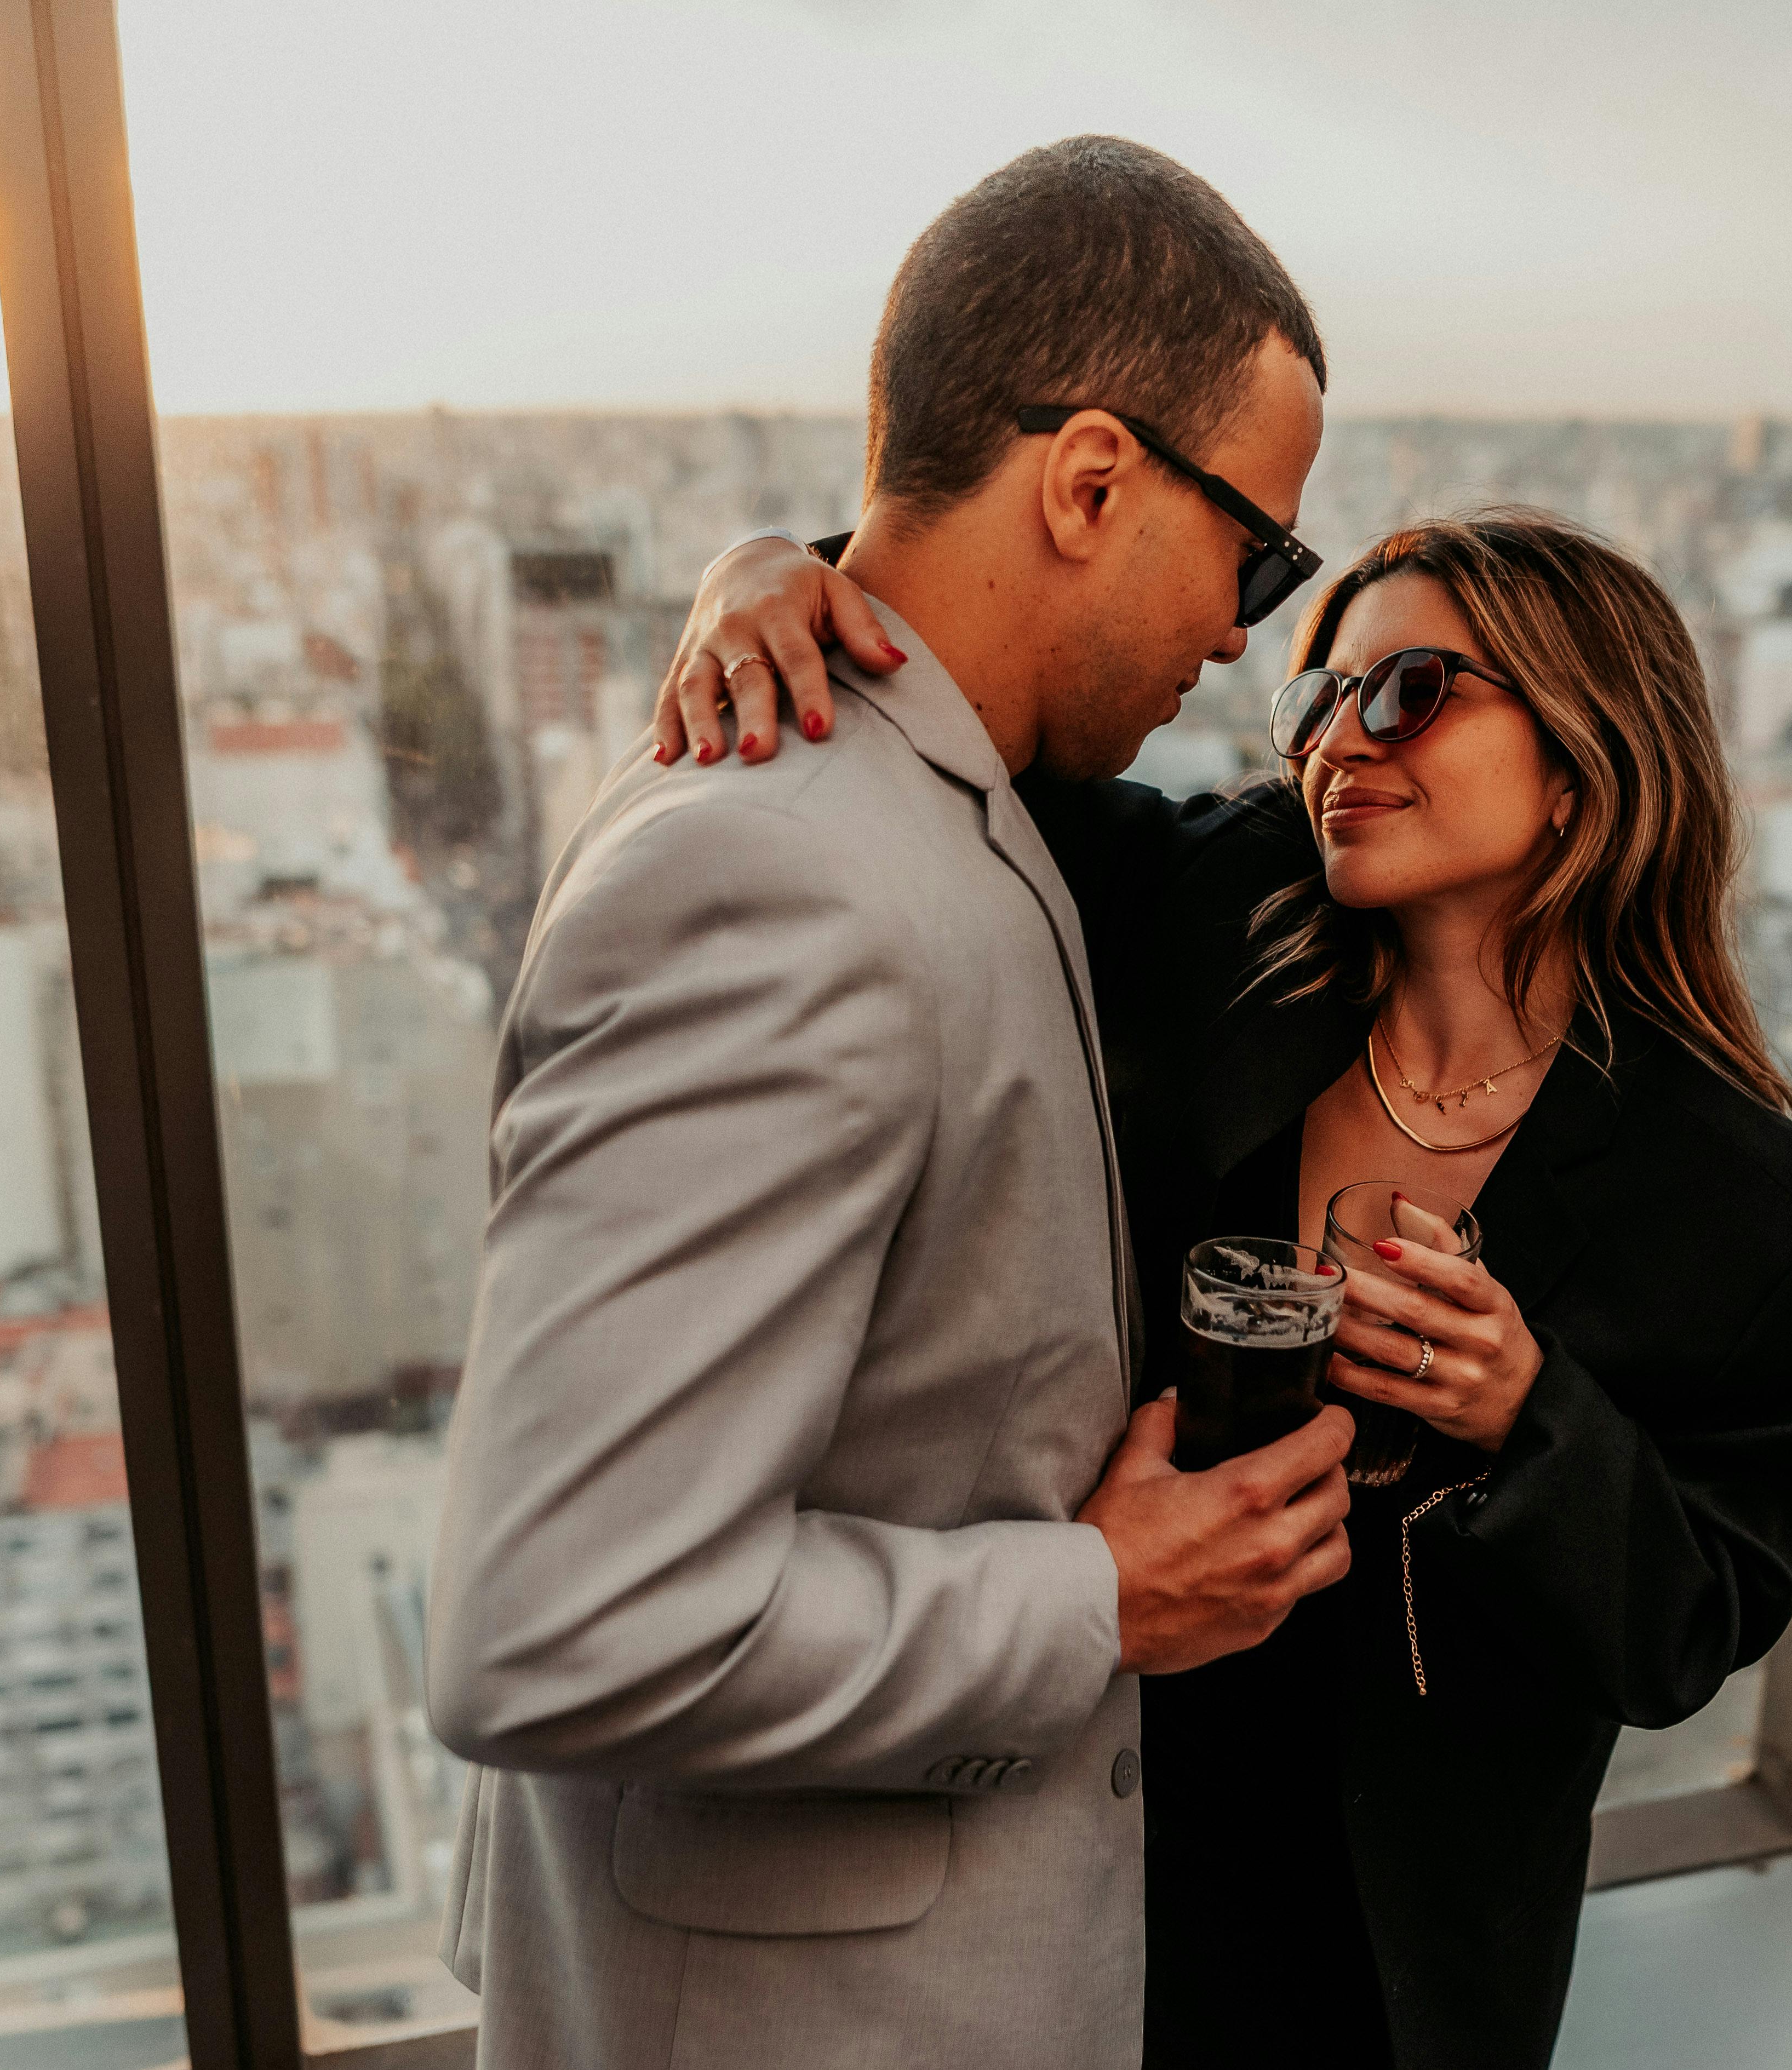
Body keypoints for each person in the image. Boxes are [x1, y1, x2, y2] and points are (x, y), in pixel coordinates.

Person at [654, 508, 1792, 2068]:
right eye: (1322, 698)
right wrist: (777, 567)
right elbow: (966, 721)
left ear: (1586, 753)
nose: (1340, 742)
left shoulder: (1750, 1208)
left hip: (1386, 1940)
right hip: (1079, 1817)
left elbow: (1688, 1631)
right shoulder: (1218, 918)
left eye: (1412, 692)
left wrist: (1529, 1417)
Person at [423, 136, 1360, 2070]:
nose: (1240, 632)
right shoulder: (781, 871)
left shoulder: (928, 787)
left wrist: (772, 564)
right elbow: (562, 1618)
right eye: (1258, 554)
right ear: (1091, 481)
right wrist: (1103, 1596)